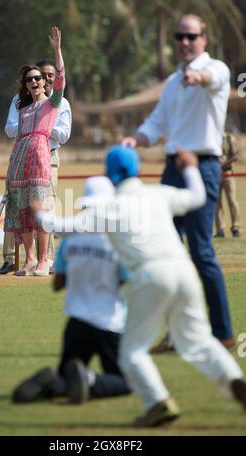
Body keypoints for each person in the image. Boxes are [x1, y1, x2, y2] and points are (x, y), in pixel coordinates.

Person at [38, 145, 246, 427]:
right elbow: (197, 198)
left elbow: (60, 225)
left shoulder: (108, 209)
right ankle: (234, 380)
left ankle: (158, 403)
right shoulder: (157, 194)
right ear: (136, 169)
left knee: (132, 352)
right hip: (184, 271)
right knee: (198, 341)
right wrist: (190, 168)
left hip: (149, 276)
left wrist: (38, 212)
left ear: (108, 174)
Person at [122, 14, 235, 350]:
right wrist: (135, 140)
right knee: (163, 253)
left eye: (191, 36)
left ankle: (223, 333)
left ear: (204, 38)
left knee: (201, 251)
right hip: (172, 172)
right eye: (179, 37)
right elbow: (156, 124)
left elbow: (212, 78)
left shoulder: (217, 69)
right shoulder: (172, 82)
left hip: (202, 167)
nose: (184, 42)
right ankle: (178, 333)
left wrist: (198, 75)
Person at [12, 176, 130, 404]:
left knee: (66, 379)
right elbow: (126, 281)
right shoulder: (117, 239)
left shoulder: (70, 238)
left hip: (76, 321)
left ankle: (49, 384)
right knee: (125, 381)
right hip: (109, 322)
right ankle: (89, 379)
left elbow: (58, 285)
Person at [0, 60, 72, 275]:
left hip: (41, 156)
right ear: (26, 85)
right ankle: (29, 261)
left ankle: (43, 261)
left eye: (38, 78)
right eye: (30, 79)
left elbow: (60, 82)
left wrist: (57, 51)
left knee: (41, 208)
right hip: (20, 158)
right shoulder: (24, 108)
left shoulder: (52, 104)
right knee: (23, 210)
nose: (35, 82)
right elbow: (16, 135)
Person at [215, 132, 242, 238]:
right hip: (215, 174)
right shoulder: (211, 136)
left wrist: (223, 165)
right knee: (217, 203)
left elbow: (235, 156)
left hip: (227, 173)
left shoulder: (229, 138)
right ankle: (220, 229)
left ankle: (236, 228)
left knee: (232, 200)